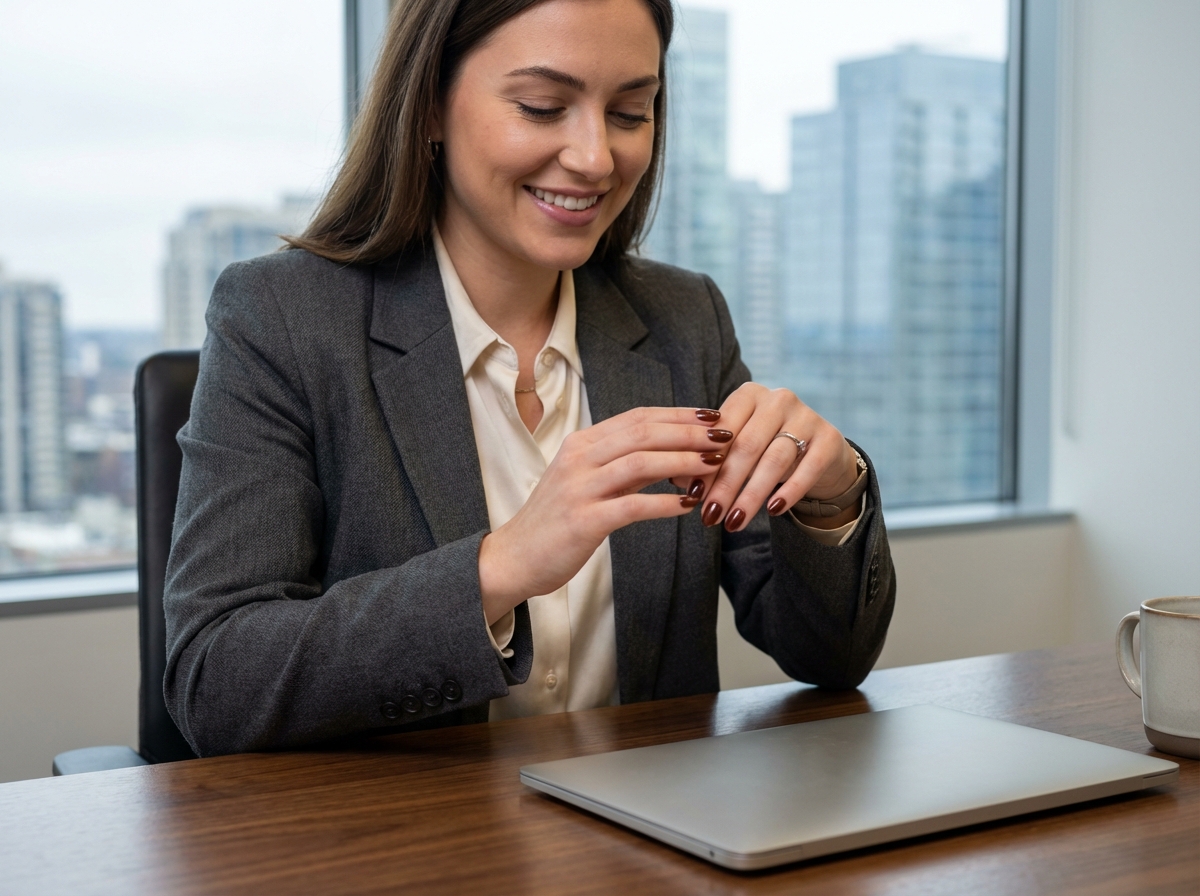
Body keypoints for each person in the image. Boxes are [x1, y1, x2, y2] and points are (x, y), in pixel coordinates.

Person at [163, 0, 895, 757]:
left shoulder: (684, 318)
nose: (595, 158)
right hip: (411, 849)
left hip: (650, 847)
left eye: (630, 112)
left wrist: (832, 497)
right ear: (430, 107)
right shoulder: (282, 317)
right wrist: (502, 566)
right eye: (543, 107)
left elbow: (830, 659)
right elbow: (216, 682)